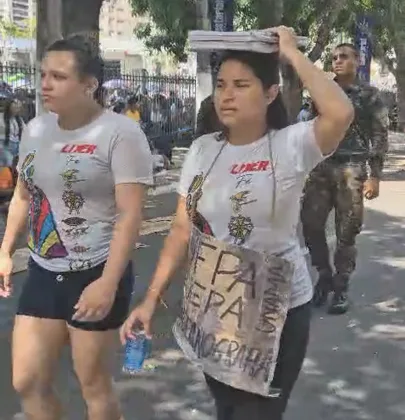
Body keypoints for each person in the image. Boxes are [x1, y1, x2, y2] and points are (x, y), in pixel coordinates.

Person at [120, 26, 354, 420]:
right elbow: (182, 229)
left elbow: (341, 112)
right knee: (227, 407)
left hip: (275, 312)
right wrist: (149, 300)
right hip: (214, 309)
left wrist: (292, 54)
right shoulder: (201, 149)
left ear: (270, 93)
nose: (226, 94)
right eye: (222, 84)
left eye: (241, 85)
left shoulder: (291, 145)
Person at [0, 36, 153, 420]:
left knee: (92, 384)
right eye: (43, 75)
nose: (45, 84)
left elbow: (130, 215)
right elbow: (23, 195)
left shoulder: (121, 133)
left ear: (89, 85)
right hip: (42, 269)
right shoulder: (35, 130)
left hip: (97, 271)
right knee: (27, 381)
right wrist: (5, 251)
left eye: (59, 76)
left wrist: (108, 282)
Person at [300, 43, 388, 315]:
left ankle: (340, 287)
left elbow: (379, 134)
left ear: (357, 61)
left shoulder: (370, 95)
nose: (338, 61)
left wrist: (375, 176)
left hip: (352, 168)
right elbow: (311, 126)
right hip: (321, 165)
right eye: (335, 57)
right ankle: (324, 277)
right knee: (310, 225)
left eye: (344, 57)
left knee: (346, 232)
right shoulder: (323, 90)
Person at [3, 98, 25, 166]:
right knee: (8, 165)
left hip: (17, 145)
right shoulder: (2, 118)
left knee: (15, 166)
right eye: (15, 107)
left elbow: (26, 130)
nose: (17, 110)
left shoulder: (19, 120)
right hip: (6, 145)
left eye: (18, 108)